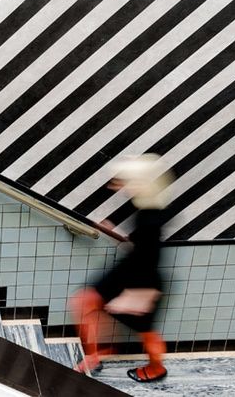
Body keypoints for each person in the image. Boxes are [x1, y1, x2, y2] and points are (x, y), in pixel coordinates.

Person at [70, 154, 172, 383]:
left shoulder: (151, 219)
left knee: (146, 332)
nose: (121, 186)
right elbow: (141, 246)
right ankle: (95, 354)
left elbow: (150, 256)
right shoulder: (148, 206)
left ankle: (156, 368)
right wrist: (113, 233)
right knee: (84, 302)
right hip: (131, 269)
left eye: (127, 181)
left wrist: (135, 297)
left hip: (142, 281)